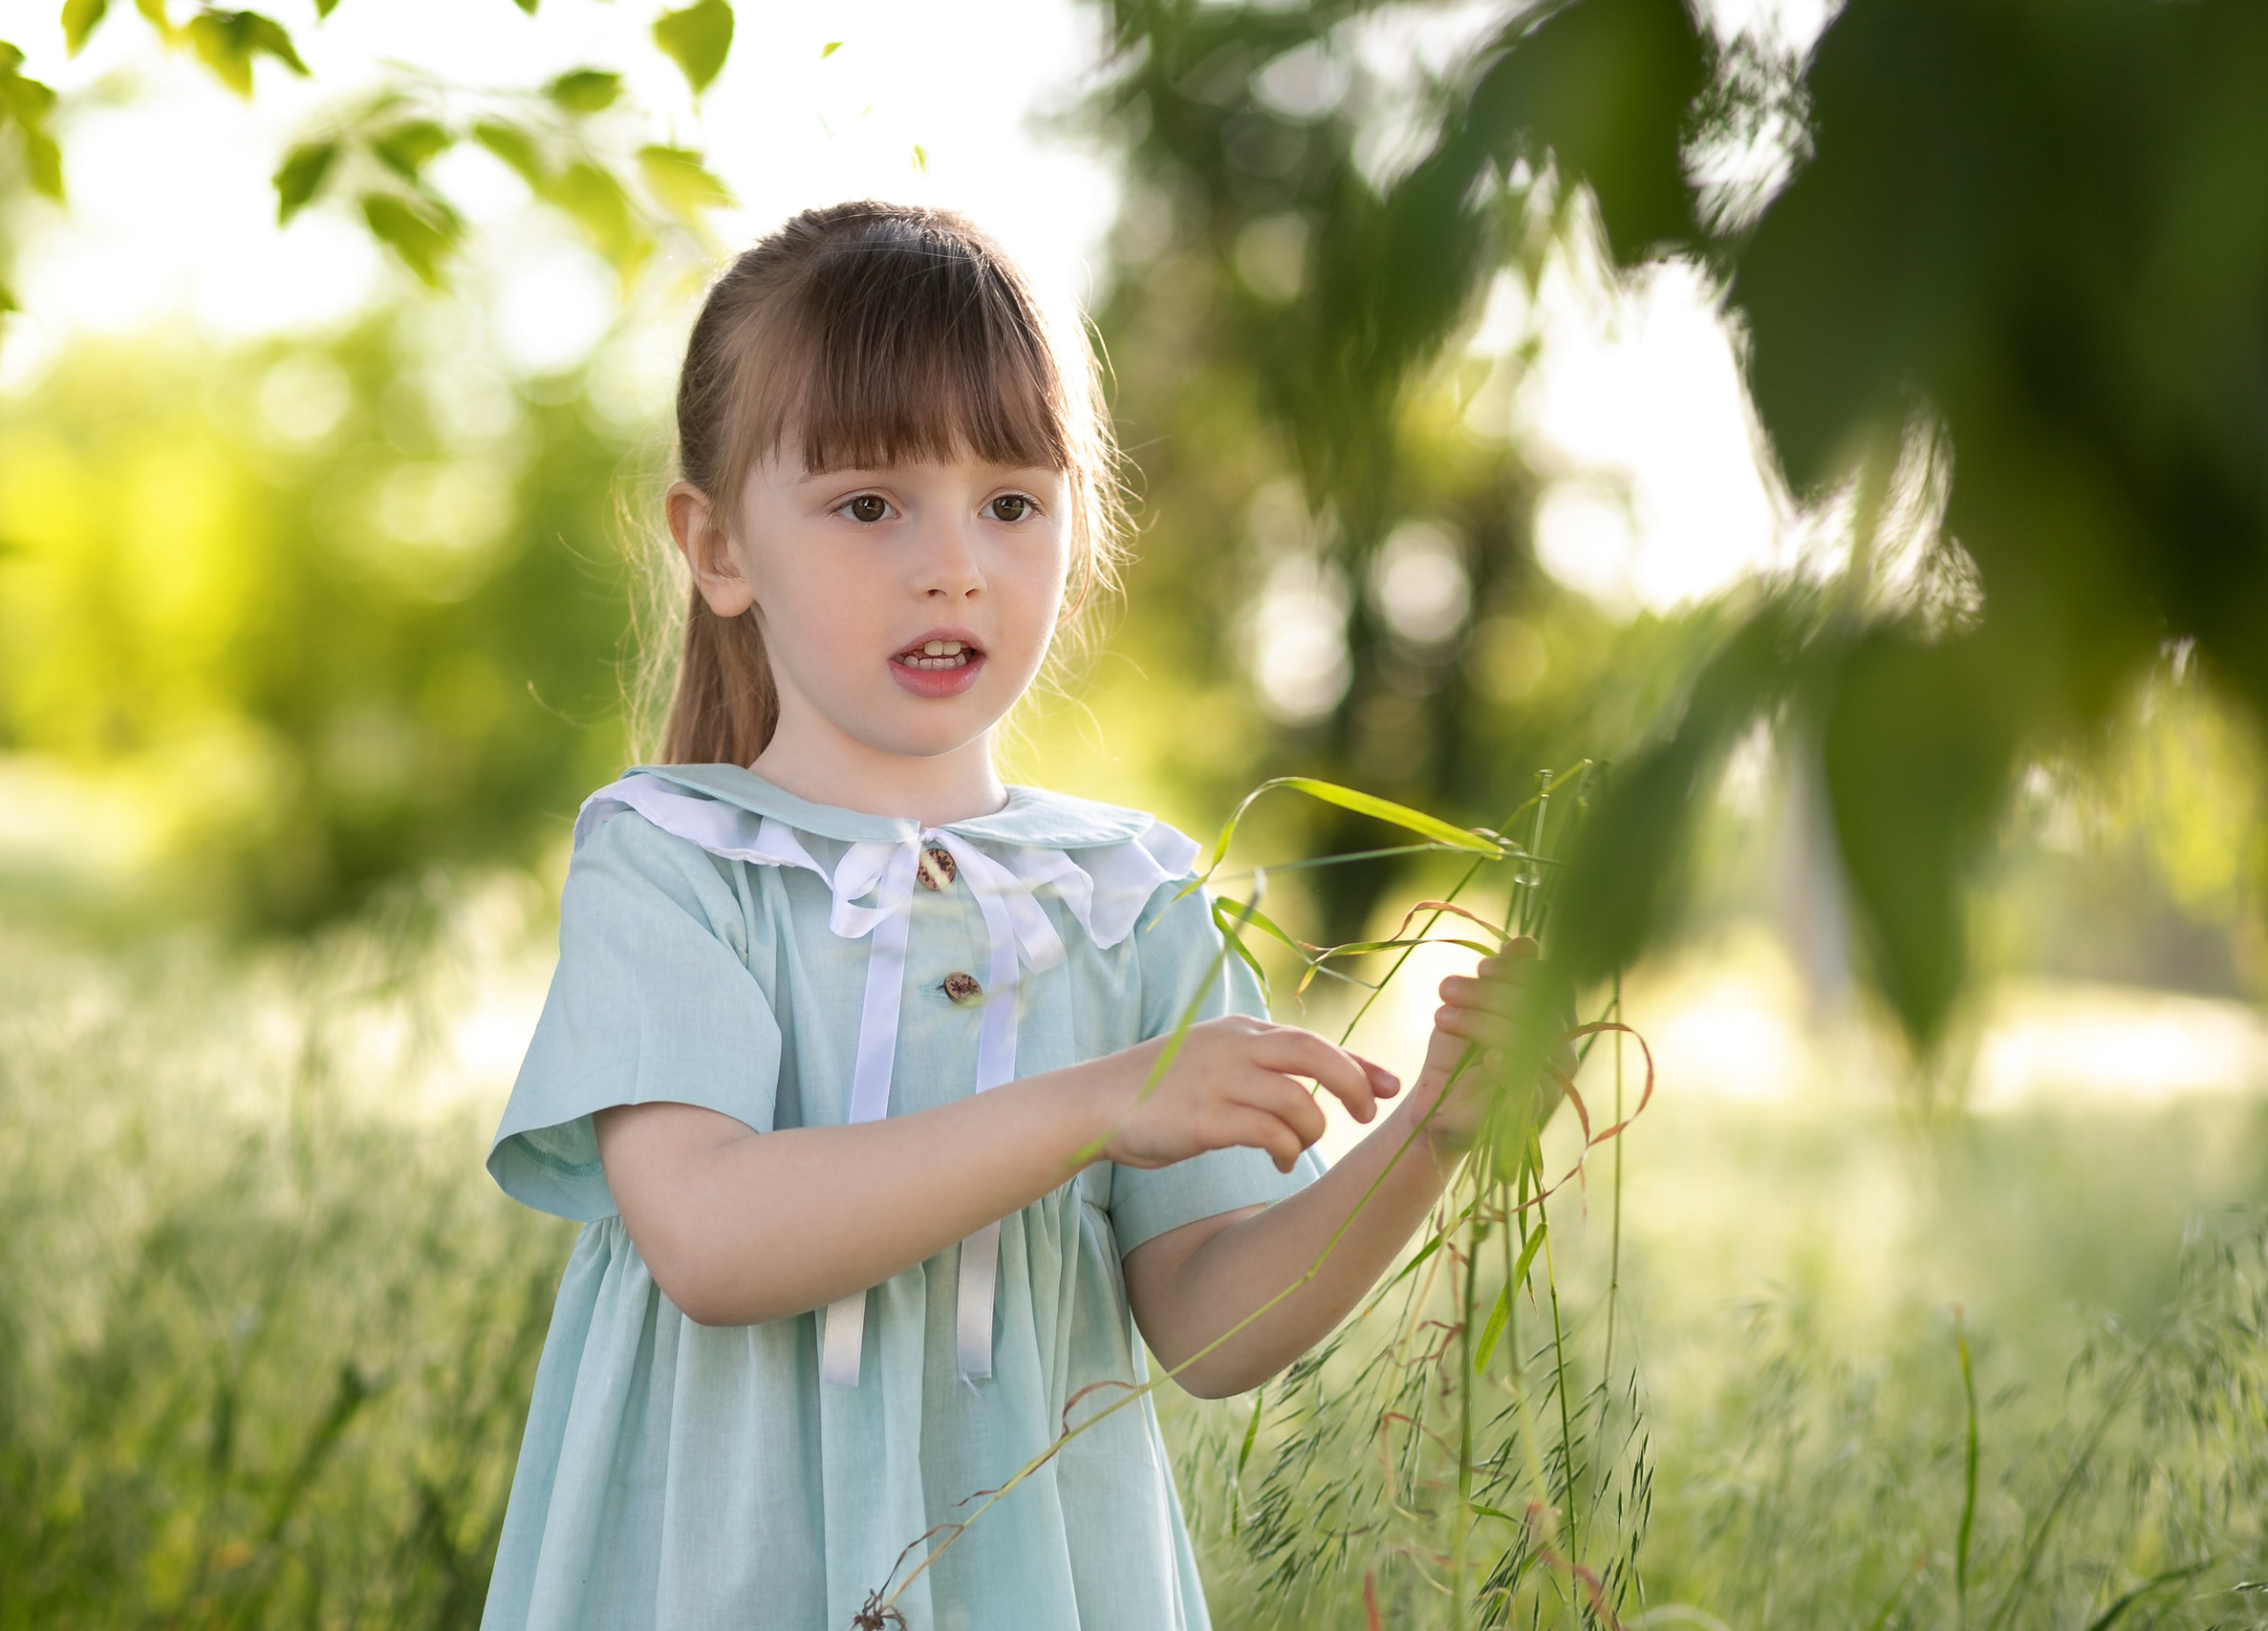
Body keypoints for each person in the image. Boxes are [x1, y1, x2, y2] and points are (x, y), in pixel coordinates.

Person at [480, 202, 1571, 1631]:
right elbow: (711, 1239)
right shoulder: (675, 861)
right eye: (869, 504)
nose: (956, 565)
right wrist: (1104, 1102)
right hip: (720, 1582)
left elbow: (1208, 1323)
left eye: (1012, 501)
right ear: (718, 544)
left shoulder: (1133, 898)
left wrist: (1433, 1130)